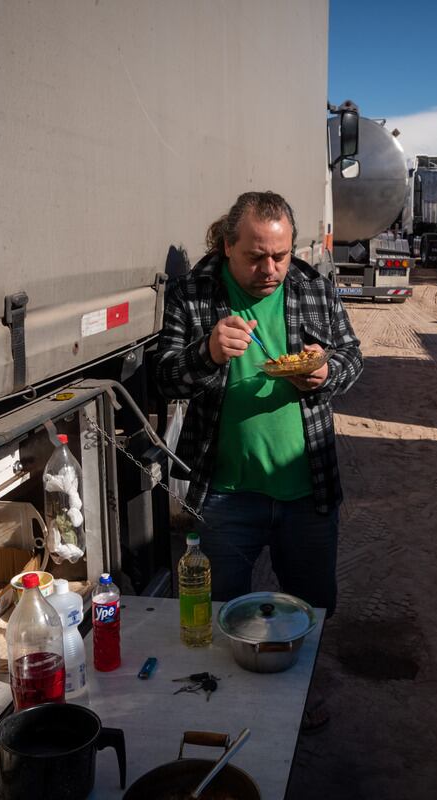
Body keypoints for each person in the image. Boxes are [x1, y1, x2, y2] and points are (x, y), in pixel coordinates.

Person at [154, 190, 363, 619]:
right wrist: (207, 352)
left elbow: (352, 355)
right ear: (228, 245)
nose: (270, 270)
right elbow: (164, 378)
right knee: (217, 618)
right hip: (224, 497)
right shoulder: (192, 294)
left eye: (280, 256)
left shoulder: (313, 288)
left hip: (308, 493)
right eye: (255, 257)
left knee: (313, 614)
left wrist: (326, 373)